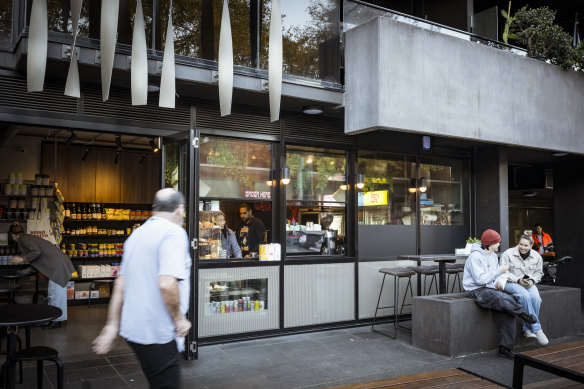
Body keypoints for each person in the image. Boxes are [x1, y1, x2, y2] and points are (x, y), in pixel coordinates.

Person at [92, 188, 192, 389]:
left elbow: (120, 283)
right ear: (179, 209)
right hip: (158, 330)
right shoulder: (173, 233)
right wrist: (179, 319)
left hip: (134, 331)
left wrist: (112, 325)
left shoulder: (136, 235)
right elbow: (166, 283)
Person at [463, 229, 537, 359]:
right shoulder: (475, 257)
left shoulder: (492, 255)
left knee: (507, 309)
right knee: (501, 297)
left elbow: (495, 277)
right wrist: (498, 271)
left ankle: (505, 348)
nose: (499, 245)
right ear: (490, 243)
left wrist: (499, 281)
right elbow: (479, 280)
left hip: (490, 289)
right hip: (476, 290)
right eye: (497, 242)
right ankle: (522, 313)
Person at [8, 221, 75, 328]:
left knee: (55, 295)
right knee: (56, 294)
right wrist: (25, 270)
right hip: (58, 264)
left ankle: (55, 321)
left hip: (57, 266)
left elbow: (36, 252)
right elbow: (37, 257)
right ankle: (56, 320)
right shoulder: (28, 238)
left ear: (12, 235)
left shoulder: (24, 239)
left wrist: (21, 259)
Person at [500, 235, 548, 345]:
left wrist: (532, 280)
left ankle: (527, 329)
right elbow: (503, 272)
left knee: (536, 298)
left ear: (531, 245)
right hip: (510, 282)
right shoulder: (507, 254)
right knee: (524, 296)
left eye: (526, 245)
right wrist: (518, 280)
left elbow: (539, 273)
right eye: (521, 244)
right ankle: (536, 329)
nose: (522, 247)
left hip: (527, 283)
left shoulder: (537, 256)